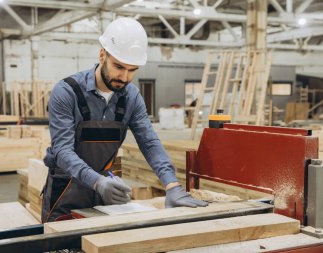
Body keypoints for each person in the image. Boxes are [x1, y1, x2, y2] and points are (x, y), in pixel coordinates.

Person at [41, 17, 208, 223]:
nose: (125, 78)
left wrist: (172, 185)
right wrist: (97, 182)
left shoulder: (131, 97)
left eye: (132, 70)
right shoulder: (67, 92)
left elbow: (149, 142)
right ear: (102, 54)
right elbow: (62, 152)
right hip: (66, 189)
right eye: (119, 67)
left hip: (106, 192)